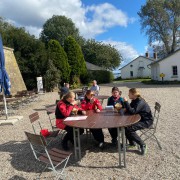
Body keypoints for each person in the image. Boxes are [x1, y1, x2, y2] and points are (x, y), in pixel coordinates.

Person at [123, 88, 153, 155]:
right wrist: (126, 108)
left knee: (129, 128)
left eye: (129, 93)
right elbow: (130, 108)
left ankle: (143, 144)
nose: (128, 94)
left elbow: (133, 112)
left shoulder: (140, 101)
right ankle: (132, 143)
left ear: (134, 94)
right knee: (125, 127)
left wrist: (126, 102)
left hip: (146, 121)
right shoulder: (134, 100)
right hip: (140, 118)